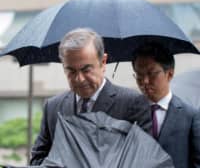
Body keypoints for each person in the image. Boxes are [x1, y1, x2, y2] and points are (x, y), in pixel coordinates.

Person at [30, 28, 152, 165]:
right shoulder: (53, 107)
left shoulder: (133, 104)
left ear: (103, 62)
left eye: (86, 69)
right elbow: (37, 160)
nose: (79, 79)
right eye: (71, 71)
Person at [131, 41, 200, 168]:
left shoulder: (190, 116)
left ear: (169, 74)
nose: (145, 81)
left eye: (151, 74)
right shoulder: (130, 115)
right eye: (139, 75)